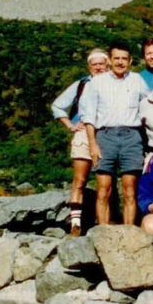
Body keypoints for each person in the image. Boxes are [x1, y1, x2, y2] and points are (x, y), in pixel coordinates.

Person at [80, 41, 151, 225]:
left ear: (130, 60)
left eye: (124, 59)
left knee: (130, 190)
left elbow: (151, 103)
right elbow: (89, 117)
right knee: (104, 189)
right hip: (105, 136)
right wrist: (92, 144)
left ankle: (128, 233)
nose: (120, 62)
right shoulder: (96, 83)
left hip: (132, 137)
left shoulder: (137, 80)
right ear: (109, 60)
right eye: (116, 58)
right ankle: (103, 233)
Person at [51, 48, 110, 236]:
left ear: (107, 64)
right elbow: (58, 105)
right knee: (79, 179)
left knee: (106, 181)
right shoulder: (82, 85)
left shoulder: (114, 83)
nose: (99, 67)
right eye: (95, 65)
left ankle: (106, 223)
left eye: (102, 64)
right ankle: (75, 224)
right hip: (84, 132)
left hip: (106, 132)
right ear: (89, 67)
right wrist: (70, 125)